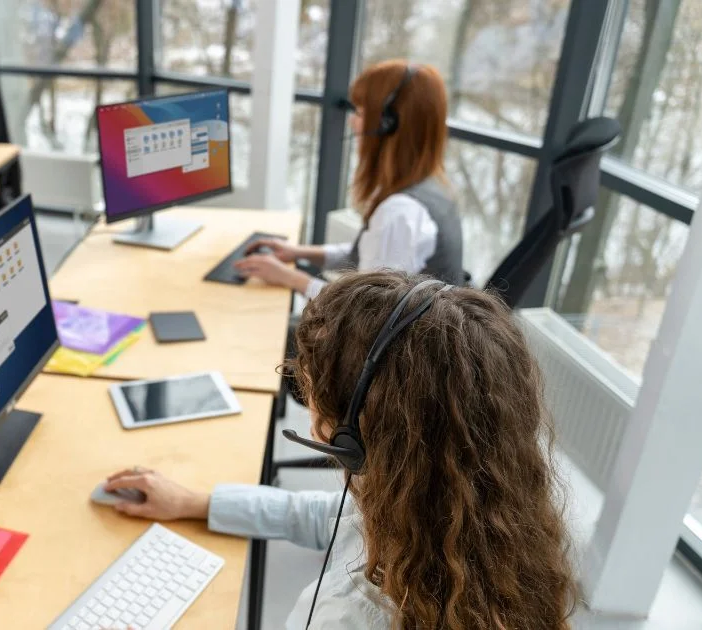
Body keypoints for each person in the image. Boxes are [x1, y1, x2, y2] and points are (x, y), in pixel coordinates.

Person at [103, 272, 577, 629]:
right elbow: (326, 518)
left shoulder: (345, 616)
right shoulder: (481, 527)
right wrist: (196, 503)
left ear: (349, 434)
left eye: (311, 388)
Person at [236, 61, 464, 298]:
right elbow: (370, 255)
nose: (352, 121)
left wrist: (291, 278)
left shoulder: (400, 212)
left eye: (360, 113)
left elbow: (366, 313)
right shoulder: (429, 184)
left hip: (381, 332)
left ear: (388, 125)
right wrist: (299, 252)